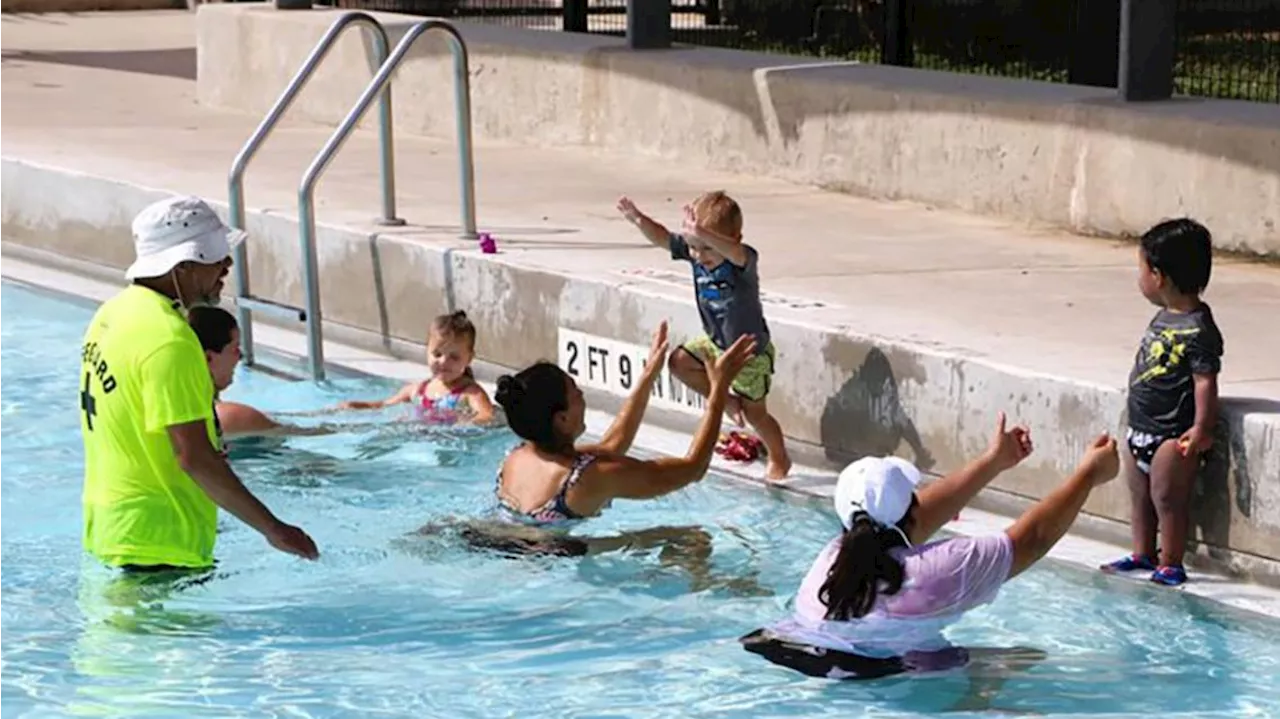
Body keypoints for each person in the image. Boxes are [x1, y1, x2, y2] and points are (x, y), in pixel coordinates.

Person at [742, 413, 1121, 681]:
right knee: (1024, 659)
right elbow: (1032, 540)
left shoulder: (831, 558)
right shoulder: (938, 571)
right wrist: (1089, 474)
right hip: (891, 679)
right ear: (910, 507)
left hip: (795, 656)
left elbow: (913, 519)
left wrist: (994, 462)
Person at [78, 195, 318, 578]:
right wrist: (275, 529)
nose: (227, 264)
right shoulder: (170, 340)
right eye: (216, 256)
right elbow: (194, 458)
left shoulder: (112, 314)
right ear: (185, 266)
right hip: (159, 542)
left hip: (110, 526)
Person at [491, 320, 756, 525]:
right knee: (688, 541)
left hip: (507, 548)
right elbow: (693, 469)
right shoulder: (592, 477)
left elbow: (612, 445)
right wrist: (718, 389)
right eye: (576, 393)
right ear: (561, 418)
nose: (582, 395)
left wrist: (648, 375)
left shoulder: (521, 455)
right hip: (548, 565)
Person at [617, 192, 792, 480]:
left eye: (707, 248)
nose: (700, 255)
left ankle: (779, 458)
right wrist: (638, 218)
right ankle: (726, 400)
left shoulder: (741, 265)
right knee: (679, 362)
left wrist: (701, 233)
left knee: (756, 415)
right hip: (715, 343)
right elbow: (663, 238)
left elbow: (736, 251)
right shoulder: (697, 254)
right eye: (694, 247)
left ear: (734, 238)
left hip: (749, 353)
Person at [1101, 218, 1224, 587]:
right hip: (1142, 426)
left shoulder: (1200, 327)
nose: (1138, 278)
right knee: (1140, 497)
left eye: (1140, 268)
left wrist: (1201, 428)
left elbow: (1205, 381)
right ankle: (1142, 552)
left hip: (1174, 433)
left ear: (1158, 276)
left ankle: (1171, 560)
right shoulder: (1163, 317)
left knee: (1168, 498)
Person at [187, 305, 333, 440]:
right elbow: (300, 432)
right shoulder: (226, 415)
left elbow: (265, 420)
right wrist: (351, 427)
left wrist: (329, 412)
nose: (240, 356)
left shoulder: (188, 407)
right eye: (235, 348)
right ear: (208, 358)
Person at [338, 310, 495, 424]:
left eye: (454, 357)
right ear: (426, 352)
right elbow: (385, 405)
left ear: (469, 359)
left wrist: (463, 423)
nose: (444, 362)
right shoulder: (418, 390)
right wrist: (359, 406)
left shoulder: (470, 393)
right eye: (437, 354)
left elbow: (487, 416)